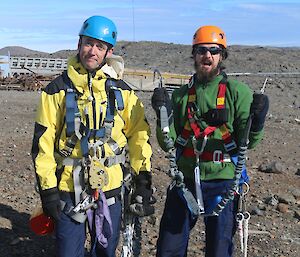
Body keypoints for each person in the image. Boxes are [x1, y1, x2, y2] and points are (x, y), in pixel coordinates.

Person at [31, 15, 154, 257]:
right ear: (79, 44)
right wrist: (48, 191)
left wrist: (143, 180)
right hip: (68, 188)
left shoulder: (123, 92)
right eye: (88, 43)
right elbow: (42, 145)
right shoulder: (55, 91)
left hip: (111, 187)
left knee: (106, 251)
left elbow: (140, 137)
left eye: (100, 46)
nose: (92, 51)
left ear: (109, 52)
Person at [151, 25, 269, 257]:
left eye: (214, 51)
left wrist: (257, 122)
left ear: (222, 56)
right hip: (185, 179)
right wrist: (162, 116)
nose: (207, 56)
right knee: (168, 248)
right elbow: (168, 143)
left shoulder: (238, 93)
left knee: (219, 249)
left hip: (223, 180)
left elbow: (249, 143)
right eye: (202, 50)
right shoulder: (181, 96)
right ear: (194, 54)